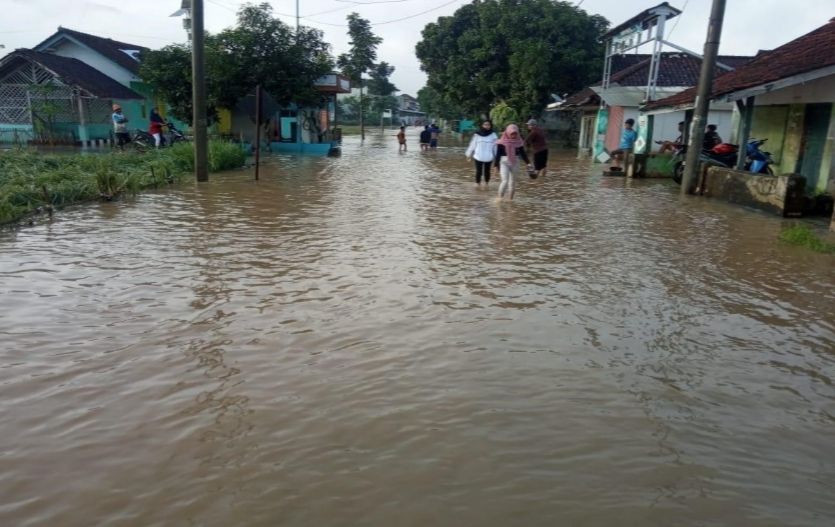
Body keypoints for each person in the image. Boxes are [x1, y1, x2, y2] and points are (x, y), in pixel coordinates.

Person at [494, 124, 531, 201]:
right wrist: (496, 166)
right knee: (505, 181)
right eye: (512, 134)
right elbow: (498, 155)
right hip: (504, 162)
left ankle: (510, 200)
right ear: (507, 132)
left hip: (515, 162)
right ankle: (499, 199)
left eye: (515, 133)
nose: (513, 136)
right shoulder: (501, 142)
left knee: (513, 182)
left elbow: (523, 153)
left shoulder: (519, 142)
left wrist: (528, 163)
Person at [465, 120, 498, 187]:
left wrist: (497, 158)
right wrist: (468, 154)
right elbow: (472, 145)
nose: (486, 126)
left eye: (488, 124)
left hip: (488, 157)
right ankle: (477, 184)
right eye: (485, 124)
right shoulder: (477, 134)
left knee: (487, 172)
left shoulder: (493, 135)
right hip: (478, 156)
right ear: (482, 125)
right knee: (478, 171)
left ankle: (486, 184)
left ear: (490, 126)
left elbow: (495, 147)